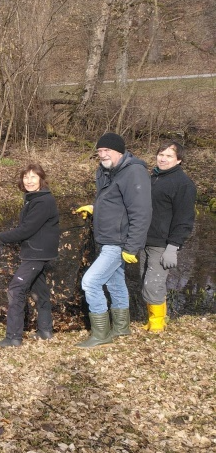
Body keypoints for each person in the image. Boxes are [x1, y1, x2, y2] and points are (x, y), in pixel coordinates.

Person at [74, 132, 151, 348]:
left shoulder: (134, 172)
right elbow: (113, 202)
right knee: (115, 283)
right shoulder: (106, 171)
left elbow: (141, 212)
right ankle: (121, 328)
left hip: (119, 241)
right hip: (108, 238)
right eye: (99, 151)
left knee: (90, 282)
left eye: (107, 150)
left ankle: (101, 334)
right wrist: (94, 208)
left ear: (119, 151)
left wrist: (132, 247)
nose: (102, 154)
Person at [0, 163, 60, 347]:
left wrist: (0, 238)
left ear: (41, 179)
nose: (29, 181)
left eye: (33, 177)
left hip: (36, 254)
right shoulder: (34, 198)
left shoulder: (43, 201)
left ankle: (13, 337)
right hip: (39, 252)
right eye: (26, 177)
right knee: (40, 291)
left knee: (16, 290)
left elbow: (26, 230)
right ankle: (45, 331)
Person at [140, 141, 196, 332]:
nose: (163, 159)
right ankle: (154, 320)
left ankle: (157, 325)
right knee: (145, 281)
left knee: (153, 284)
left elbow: (185, 219)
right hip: (144, 240)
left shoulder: (183, 184)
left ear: (179, 160)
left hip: (163, 244)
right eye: (161, 154)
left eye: (169, 156)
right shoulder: (153, 178)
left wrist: (173, 247)